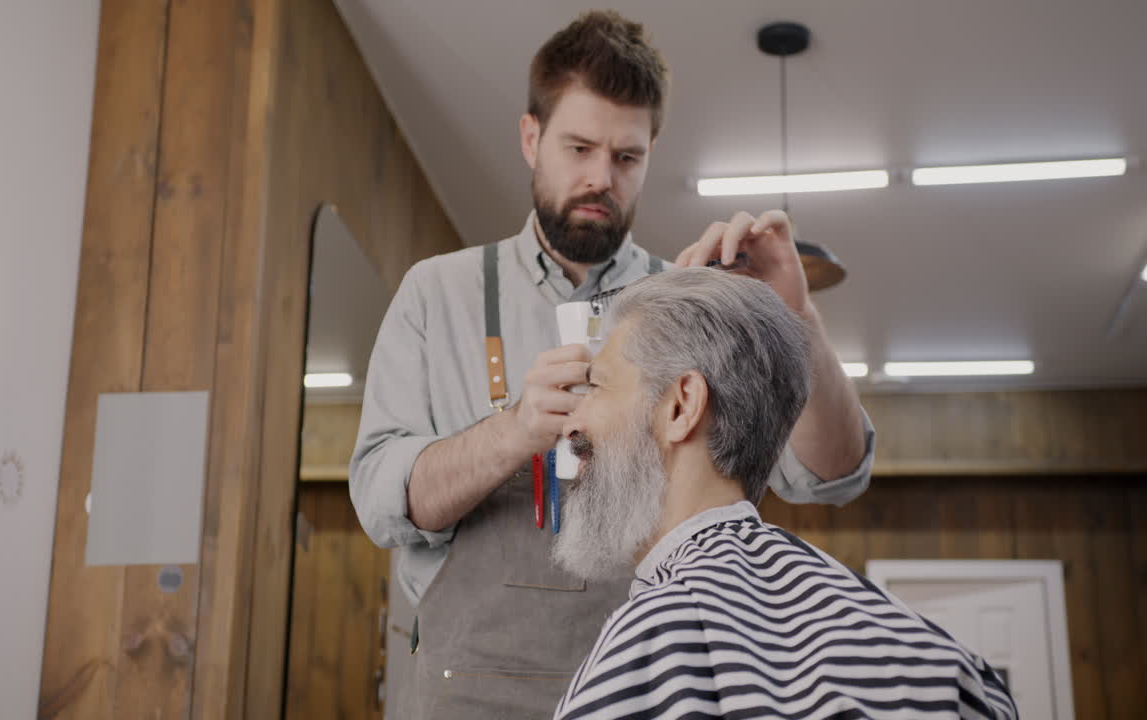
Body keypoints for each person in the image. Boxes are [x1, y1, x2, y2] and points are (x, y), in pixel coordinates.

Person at [349, 11, 876, 719]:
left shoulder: (694, 298)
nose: (602, 177)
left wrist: (798, 323)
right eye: (580, 147)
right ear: (531, 138)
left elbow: (830, 478)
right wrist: (514, 431)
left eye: (627, 157)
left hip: (656, 679)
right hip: (469, 690)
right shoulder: (434, 293)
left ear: (651, 154)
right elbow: (382, 501)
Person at [551, 268, 1016, 720]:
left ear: (680, 406)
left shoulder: (654, 643)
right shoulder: (930, 650)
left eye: (595, 386)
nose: (571, 423)